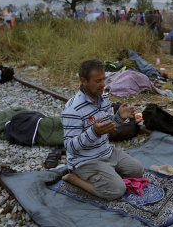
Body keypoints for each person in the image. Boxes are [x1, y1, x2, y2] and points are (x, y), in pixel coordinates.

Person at [61, 59, 143, 200]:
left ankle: (107, 171)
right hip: (85, 160)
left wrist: (118, 118)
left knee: (138, 170)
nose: (103, 85)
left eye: (103, 79)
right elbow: (70, 147)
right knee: (117, 190)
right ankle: (74, 178)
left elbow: (108, 128)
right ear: (84, 81)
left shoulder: (103, 98)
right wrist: (93, 133)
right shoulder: (73, 109)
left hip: (106, 152)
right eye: (97, 81)